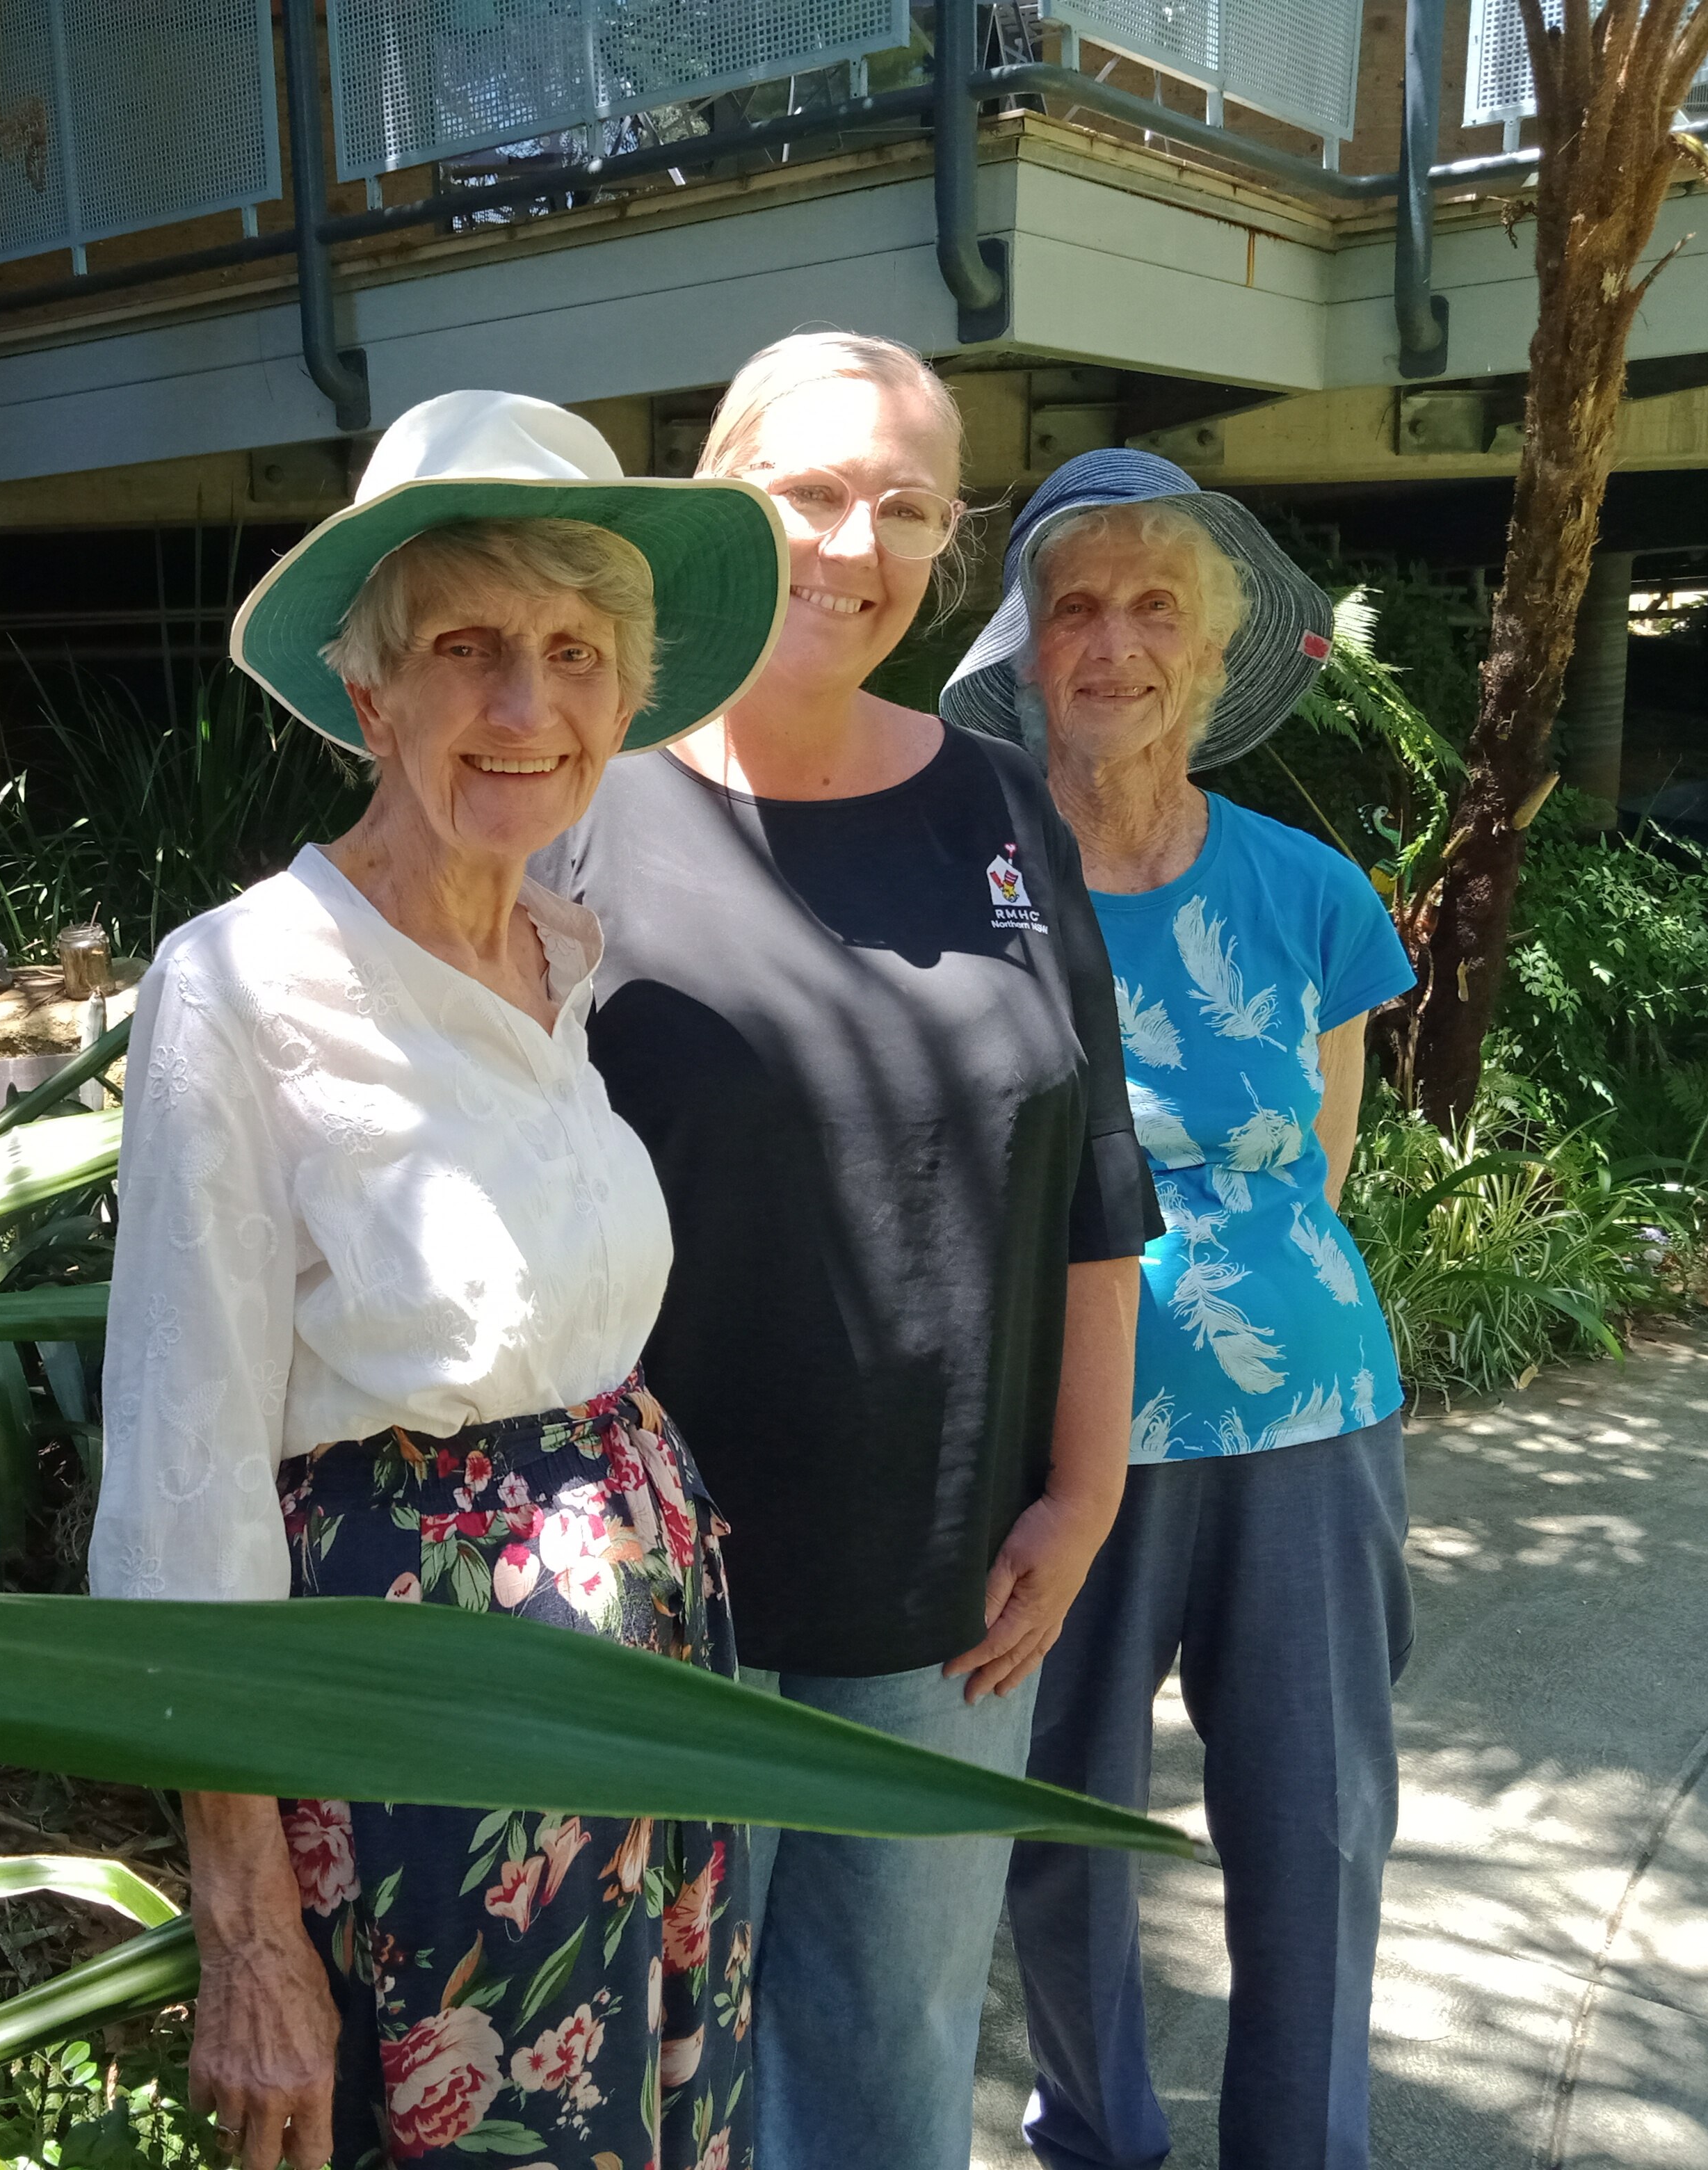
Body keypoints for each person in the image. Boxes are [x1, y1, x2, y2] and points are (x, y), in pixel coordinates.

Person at [90, 388, 790, 2170]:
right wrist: (244, 1933)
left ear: (626, 702)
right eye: (467, 648)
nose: (522, 705)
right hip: (416, 1739)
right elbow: (185, 1486)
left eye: (571, 653)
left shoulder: (564, 961)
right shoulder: (243, 982)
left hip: (644, 1713)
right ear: (371, 694)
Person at [534, 331, 1160, 2169]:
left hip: (942, 1598)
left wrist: (1089, 1488)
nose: (854, 543)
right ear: (719, 509)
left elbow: (1095, 1168)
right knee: (649, 2085)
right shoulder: (582, 802)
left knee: (887, 2086)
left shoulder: (992, 805)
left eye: (904, 505)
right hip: (655, 1602)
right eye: (812, 492)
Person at [943, 449, 1418, 2170]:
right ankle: (1099, 2136)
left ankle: (1302, 2150)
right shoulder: (969, 889)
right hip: (1054, 1443)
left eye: (1159, 610)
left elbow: (1318, 1176)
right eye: (1079, 606)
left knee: (1314, 1822)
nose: (1117, 644)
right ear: (1027, 648)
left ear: (1212, 661)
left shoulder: (1311, 896)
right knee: (1056, 1821)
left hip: (1304, 1433)